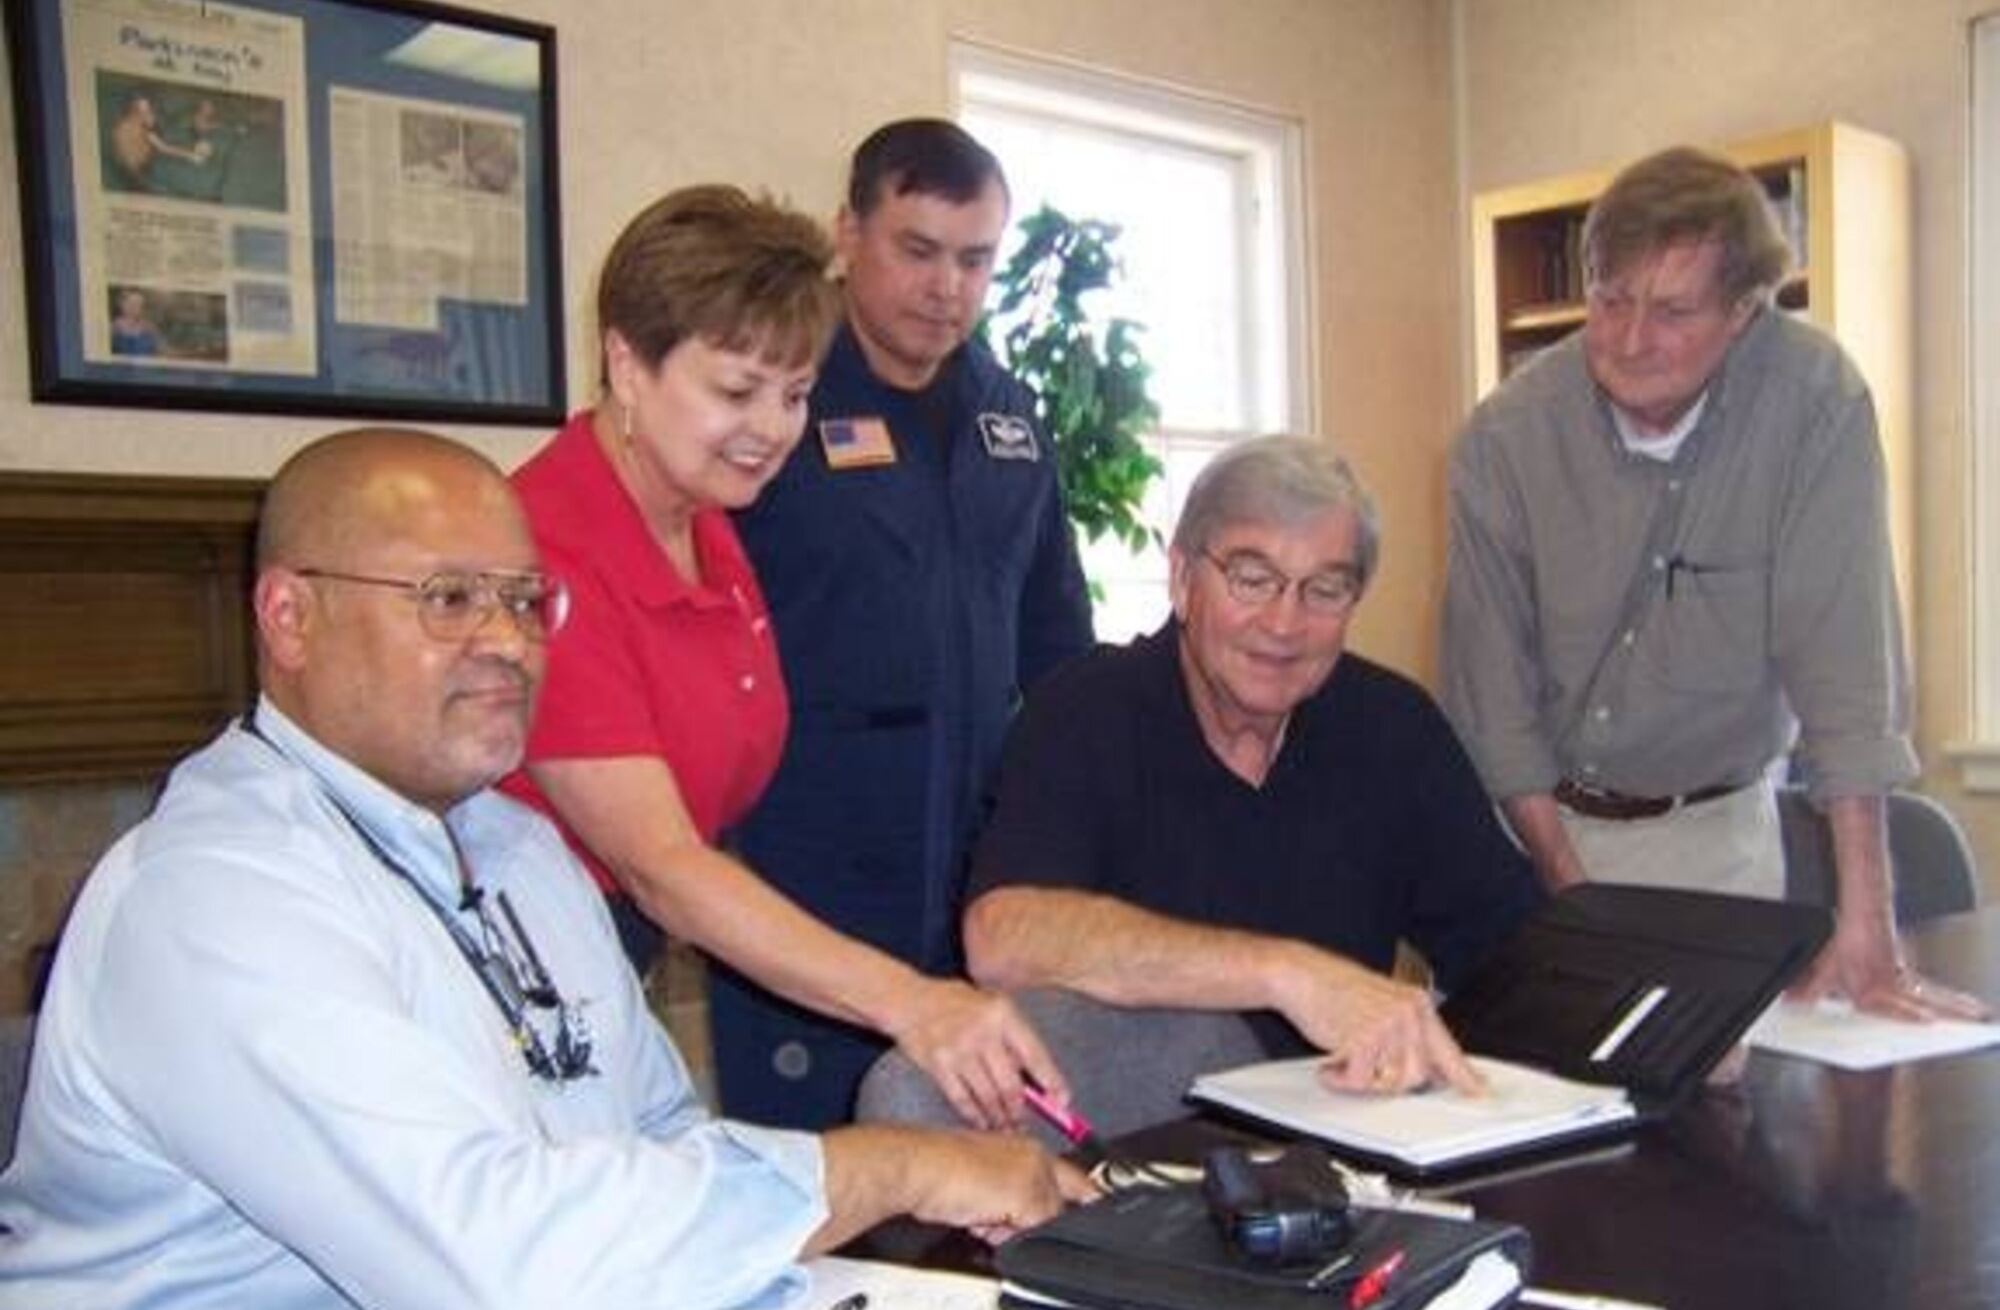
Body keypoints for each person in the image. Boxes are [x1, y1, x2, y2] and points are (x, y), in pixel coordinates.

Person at [0, 428, 1093, 1310]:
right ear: (290, 615)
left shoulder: (517, 849)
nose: (508, 640)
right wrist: (894, 1162)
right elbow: (498, 1248)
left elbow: (656, 1132)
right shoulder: (215, 893)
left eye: (526, 600)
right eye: (448, 597)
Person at [499, 185, 1066, 1134]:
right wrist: (914, 1002)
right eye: (733, 390)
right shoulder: (545, 549)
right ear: (626, 365)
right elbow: (663, 865)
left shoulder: (710, 519)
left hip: (603, 958)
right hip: (501, 980)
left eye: (795, 393)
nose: (770, 428)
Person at [1440, 145, 1986, 1024]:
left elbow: (1846, 667)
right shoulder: (1507, 438)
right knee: (1524, 1105)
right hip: (1526, 831)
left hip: (1713, 836)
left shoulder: (1814, 404)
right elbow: (1490, 696)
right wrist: (1569, 893)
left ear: (1744, 311)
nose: (1627, 340)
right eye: (1610, 300)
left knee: (1722, 1121)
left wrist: (1867, 920)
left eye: (1672, 311)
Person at [962, 434, 1543, 1096]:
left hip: (1346, 1128)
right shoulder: (1086, 711)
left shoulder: (1393, 727)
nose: (1284, 622)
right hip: (1139, 1135)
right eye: (1252, 578)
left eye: (1325, 589)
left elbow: (1513, 951)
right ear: (1183, 578)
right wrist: (1283, 973)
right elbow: (1001, 936)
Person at [720, 118, 1095, 1127]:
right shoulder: (769, 405)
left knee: (968, 1160)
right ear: (848, 233)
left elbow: (1060, 655)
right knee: (811, 1169)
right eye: (917, 250)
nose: (946, 289)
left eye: (975, 260)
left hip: (974, 872)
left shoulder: (1007, 417)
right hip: (801, 869)